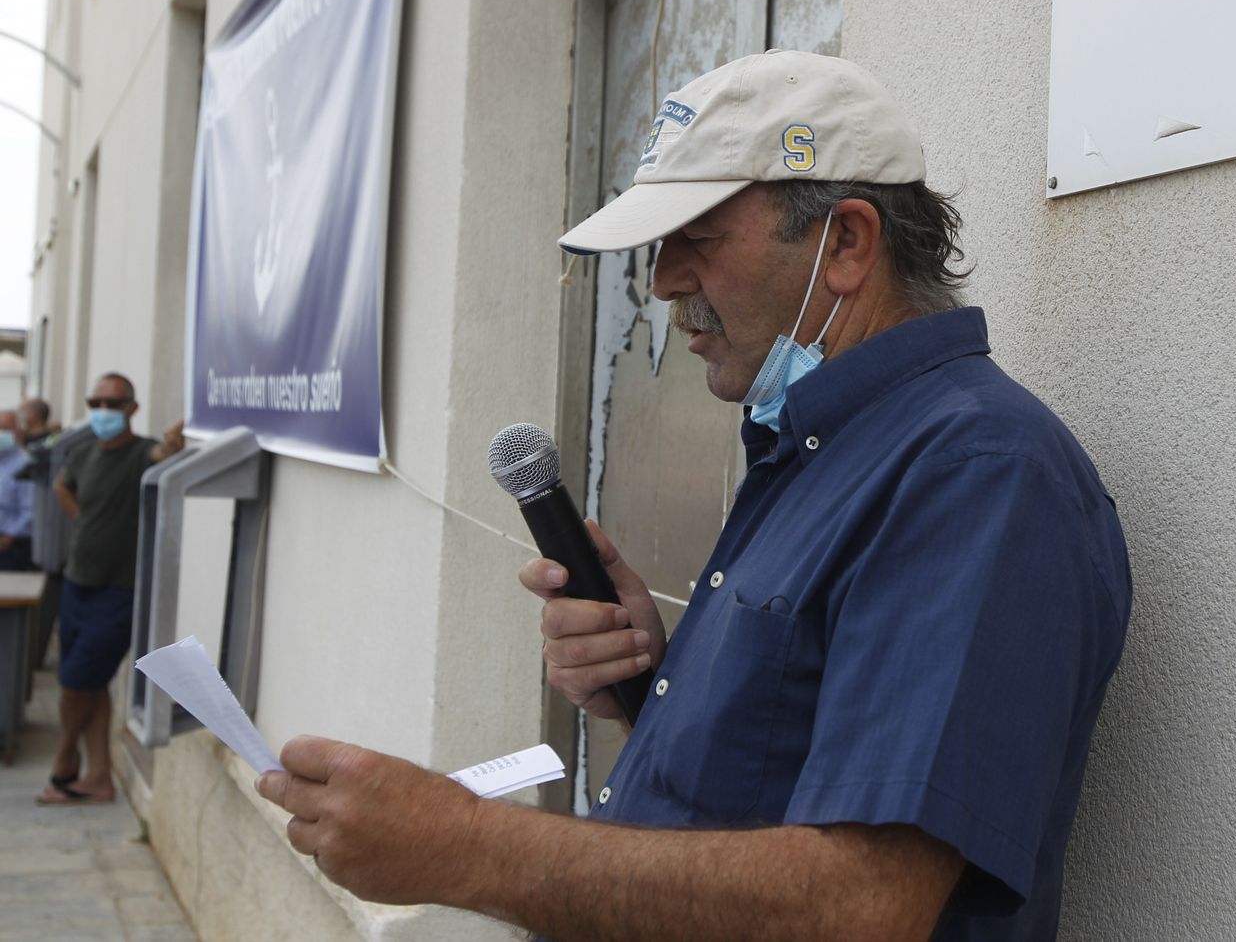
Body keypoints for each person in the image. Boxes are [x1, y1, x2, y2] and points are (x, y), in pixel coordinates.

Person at [257, 51, 1132, 941]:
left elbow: (863, 901)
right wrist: (654, 685)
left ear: (847, 244)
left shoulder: (974, 470)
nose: (664, 280)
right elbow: (779, 774)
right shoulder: (818, 442)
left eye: (698, 238)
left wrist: (464, 846)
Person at [38, 373, 185, 804]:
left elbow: (165, 456)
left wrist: (173, 444)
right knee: (92, 682)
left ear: (132, 409)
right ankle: (99, 777)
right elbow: (61, 484)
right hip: (76, 584)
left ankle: (64, 764)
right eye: (95, 402)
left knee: (74, 683)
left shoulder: (141, 454)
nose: (103, 411)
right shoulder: (83, 454)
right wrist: (82, 519)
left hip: (117, 592)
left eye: (113, 403)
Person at [0, 409, 35, 570]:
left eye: (5, 428)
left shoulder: (26, 464)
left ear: (19, 432)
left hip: (12, 546)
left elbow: (31, 510)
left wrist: (10, 536)